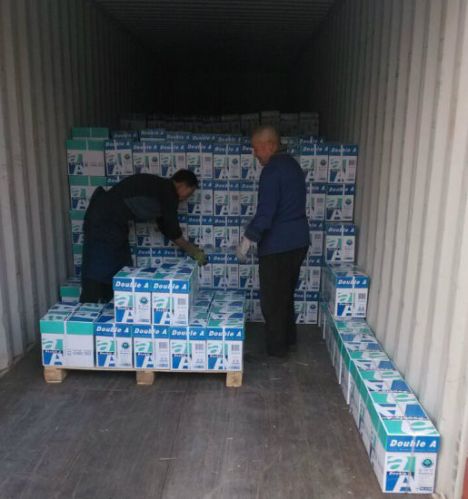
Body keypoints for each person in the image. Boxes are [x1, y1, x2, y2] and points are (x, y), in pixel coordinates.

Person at [80, 169, 207, 303]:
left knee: (119, 266)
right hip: (104, 221)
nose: (186, 198)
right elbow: (172, 229)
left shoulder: (160, 189)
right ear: (182, 185)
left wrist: (190, 248)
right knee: (98, 266)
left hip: (112, 221)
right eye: (189, 193)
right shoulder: (168, 192)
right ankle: (87, 306)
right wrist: (192, 251)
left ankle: (110, 305)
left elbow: (165, 225)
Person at [237, 126, 310, 357]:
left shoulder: (272, 171)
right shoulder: (293, 165)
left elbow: (266, 212)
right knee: (285, 294)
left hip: (279, 244)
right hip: (299, 241)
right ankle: (288, 339)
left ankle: (277, 350)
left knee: (272, 300)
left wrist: (248, 238)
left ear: (270, 145)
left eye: (256, 148)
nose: (254, 153)